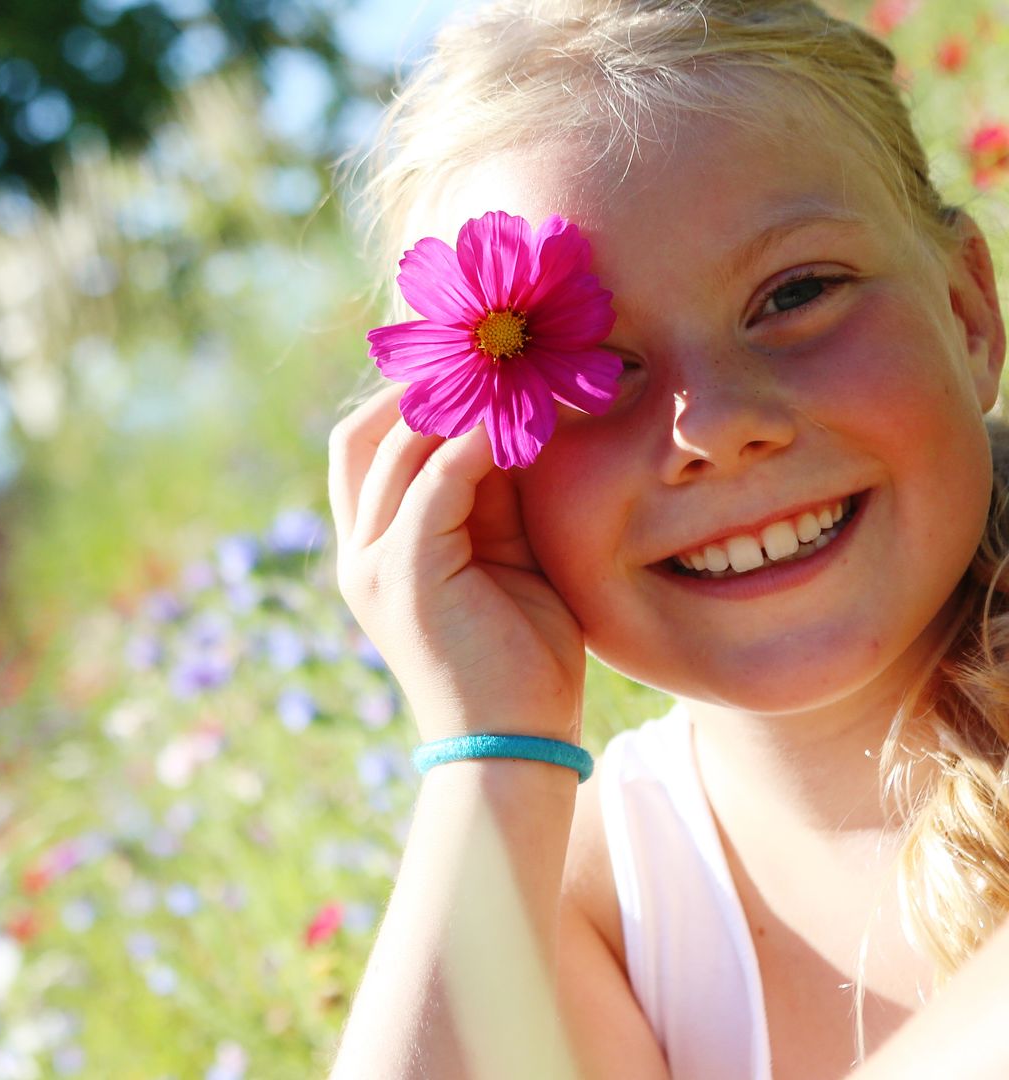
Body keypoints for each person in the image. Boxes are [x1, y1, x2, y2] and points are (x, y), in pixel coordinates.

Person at [323, 1, 1009, 1077]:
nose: (718, 427)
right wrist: (491, 750)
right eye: (593, 367)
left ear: (970, 314)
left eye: (797, 293)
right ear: (475, 477)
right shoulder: (600, 899)